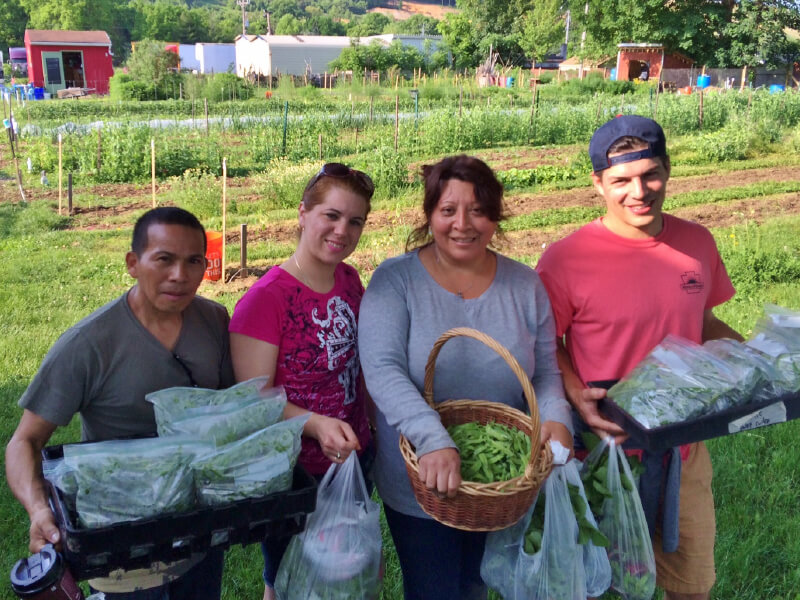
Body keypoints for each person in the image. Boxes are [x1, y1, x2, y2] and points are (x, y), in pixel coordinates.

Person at [536, 115, 743, 600]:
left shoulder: (697, 244)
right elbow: (546, 344)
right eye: (622, 180)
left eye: (650, 174)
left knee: (691, 585)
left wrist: (756, 357)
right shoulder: (566, 260)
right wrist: (573, 392)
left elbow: (704, 321)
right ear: (598, 184)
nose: (639, 190)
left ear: (668, 170)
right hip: (604, 453)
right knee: (595, 582)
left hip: (682, 452)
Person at [358, 155, 574, 600]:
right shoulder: (394, 281)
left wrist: (557, 418)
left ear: (496, 216)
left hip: (502, 483)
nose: (463, 224)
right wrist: (434, 439)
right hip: (421, 480)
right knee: (434, 589)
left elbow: (547, 374)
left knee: (478, 584)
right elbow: (382, 369)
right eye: (448, 210)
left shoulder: (524, 285)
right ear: (430, 215)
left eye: (478, 209)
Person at [5, 207, 234, 600]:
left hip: (199, 536)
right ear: (133, 263)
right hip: (119, 550)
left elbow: (231, 409)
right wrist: (39, 510)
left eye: (193, 261)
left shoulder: (213, 319)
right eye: (164, 259)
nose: (180, 275)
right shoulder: (88, 344)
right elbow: (24, 441)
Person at [228, 162, 375, 600]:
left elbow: (356, 363)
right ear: (303, 213)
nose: (342, 231)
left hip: (352, 456)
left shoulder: (349, 280)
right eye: (331, 215)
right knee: (288, 577)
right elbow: (255, 400)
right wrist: (315, 424)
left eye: (355, 221)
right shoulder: (265, 300)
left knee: (343, 572)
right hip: (294, 473)